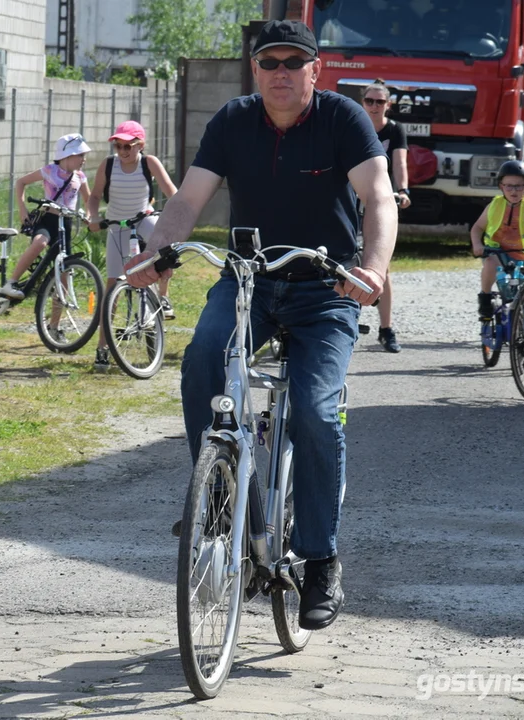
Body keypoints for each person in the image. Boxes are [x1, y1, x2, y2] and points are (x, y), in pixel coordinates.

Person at [127, 20, 397, 632]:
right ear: (255, 70)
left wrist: (371, 270)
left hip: (325, 288)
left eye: (292, 62)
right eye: (268, 61)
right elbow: (188, 200)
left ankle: (320, 556)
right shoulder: (232, 120)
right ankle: (218, 501)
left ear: (314, 70)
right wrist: (158, 250)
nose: (280, 71)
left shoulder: (343, 120)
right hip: (248, 280)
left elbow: (378, 198)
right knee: (200, 362)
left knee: (315, 411)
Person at [85, 121, 178, 372]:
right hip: (117, 225)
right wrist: (92, 216)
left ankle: (163, 295)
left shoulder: (150, 163)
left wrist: (177, 214)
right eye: (118, 146)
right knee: (112, 287)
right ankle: (103, 349)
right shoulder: (109, 165)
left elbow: (172, 192)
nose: (122, 151)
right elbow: (94, 196)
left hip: (143, 218)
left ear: (140, 145)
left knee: (165, 246)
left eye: (127, 146)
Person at [0, 133, 93, 344]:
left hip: (65, 224)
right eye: (80, 155)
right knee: (40, 243)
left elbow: (88, 200)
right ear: (67, 155)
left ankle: (54, 325)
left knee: (64, 275)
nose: (83, 159)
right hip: (48, 219)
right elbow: (21, 182)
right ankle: (11, 282)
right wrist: (22, 208)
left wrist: (88, 215)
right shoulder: (50, 170)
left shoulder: (81, 176)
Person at [359, 78, 410, 353]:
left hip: (382, 199)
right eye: (370, 101)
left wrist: (402, 190)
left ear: (388, 105)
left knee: (382, 266)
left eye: (380, 101)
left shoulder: (395, 130)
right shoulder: (355, 125)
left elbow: (400, 162)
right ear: (362, 102)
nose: (375, 106)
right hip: (352, 197)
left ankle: (386, 329)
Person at [469, 160, 524, 318]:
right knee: (490, 264)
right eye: (509, 186)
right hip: (497, 251)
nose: (514, 191)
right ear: (501, 186)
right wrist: (477, 244)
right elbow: (477, 228)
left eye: (519, 186)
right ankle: (485, 296)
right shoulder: (495, 205)